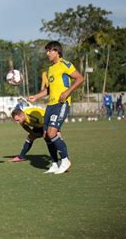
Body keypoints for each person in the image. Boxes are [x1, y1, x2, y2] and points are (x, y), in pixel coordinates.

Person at [28, 41, 84, 174]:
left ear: (57, 51)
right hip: (50, 105)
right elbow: (49, 89)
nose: (47, 53)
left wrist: (67, 92)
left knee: (52, 133)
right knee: (46, 135)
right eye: (46, 51)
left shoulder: (65, 64)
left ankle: (65, 160)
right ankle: (54, 163)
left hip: (61, 104)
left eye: (49, 51)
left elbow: (80, 78)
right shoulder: (50, 69)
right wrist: (36, 97)